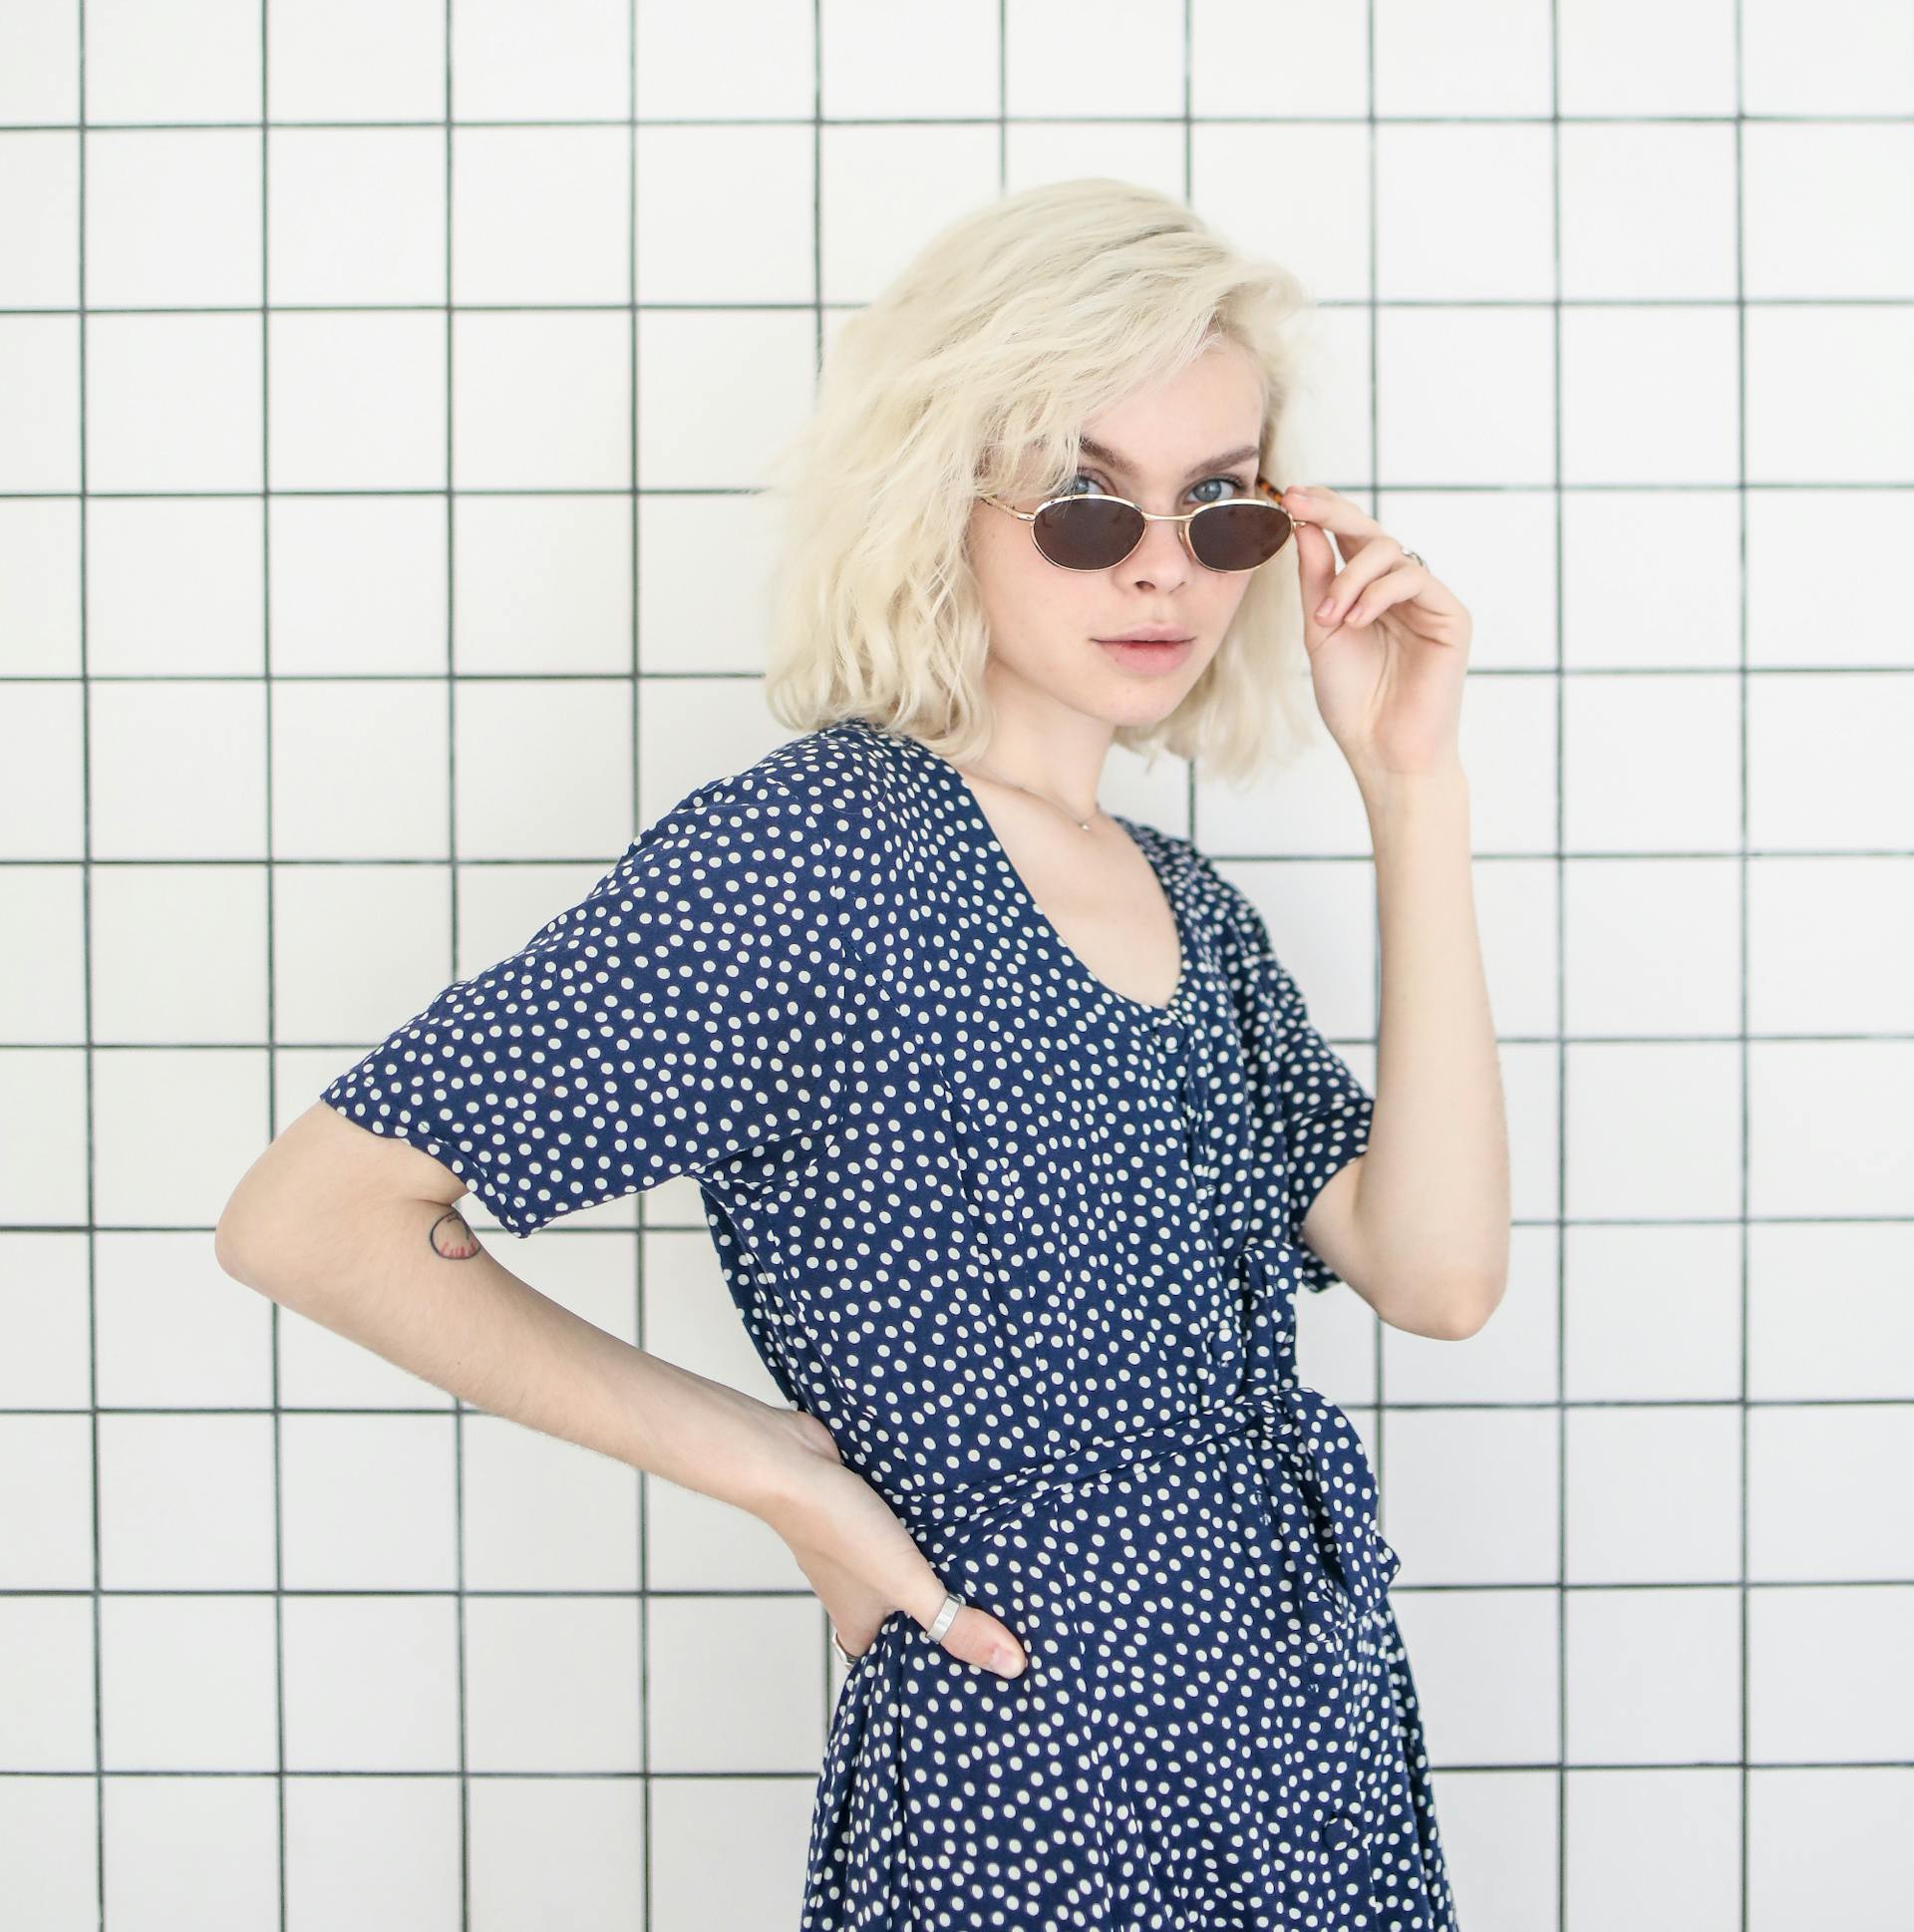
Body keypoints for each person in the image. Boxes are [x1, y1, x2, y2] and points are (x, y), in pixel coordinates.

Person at [216, 172, 1506, 1928]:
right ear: (940, 504)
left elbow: (1432, 1275)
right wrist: (781, 1477)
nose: (1158, 566)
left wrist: (1409, 785)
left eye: (1219, 511)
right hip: (1040, 1763)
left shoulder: (1191, 906)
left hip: (1315, 1739)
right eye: (1079, 503)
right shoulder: (822, 853)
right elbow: (313, 1214)